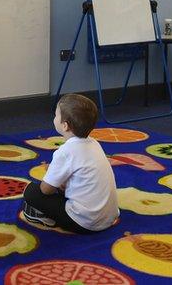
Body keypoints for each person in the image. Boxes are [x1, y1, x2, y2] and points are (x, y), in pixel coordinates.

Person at [22, 94, 118, 234]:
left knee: (31, 191)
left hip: (84, 223)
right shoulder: (94, 143)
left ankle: (46, 217)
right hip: (109, 217)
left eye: (56, 115)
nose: (54, 118)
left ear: (65, 125)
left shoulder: (65, 151)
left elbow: (46, 190)